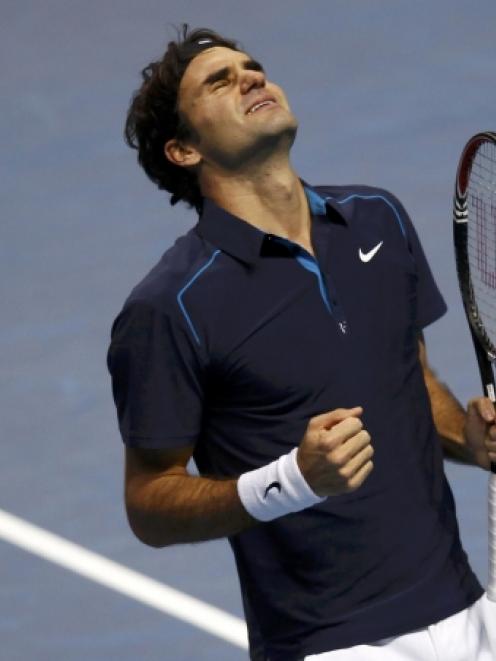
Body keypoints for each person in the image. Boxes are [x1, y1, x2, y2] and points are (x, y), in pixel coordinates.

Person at [106, 25, 496, 660]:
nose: (252, 79)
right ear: (182, 150)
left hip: (464, 612)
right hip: (329, 645)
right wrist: (290, 480)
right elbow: (149, 503)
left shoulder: (379, 218)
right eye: (220, 81)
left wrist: (468, 438)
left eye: (252, 68)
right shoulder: (170, 306)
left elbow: (412, 381)